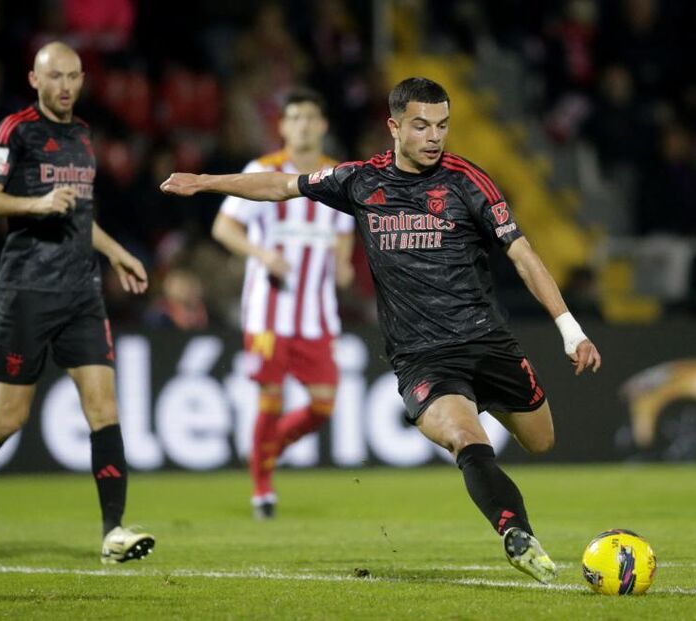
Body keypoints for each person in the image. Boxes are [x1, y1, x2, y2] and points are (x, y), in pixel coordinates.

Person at [162, 77, 601, 583]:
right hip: (422, 357)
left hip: (486, 341)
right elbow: (281, 185)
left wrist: (570, 329)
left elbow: (523, 255)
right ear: (394, 126)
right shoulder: (361, 181)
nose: (434, 137)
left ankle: (501, 470)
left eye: (442, 126)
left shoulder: (468, 181)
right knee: (465, 437)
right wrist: (205, 181)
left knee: (541, 442)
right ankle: (516, 533)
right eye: (421, 126)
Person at [0, 42, 155, 565]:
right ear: (35, 80)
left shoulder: (83, 135)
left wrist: (117, 253)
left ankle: (113, 532)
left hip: (81, 293)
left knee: (104, 408)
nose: (65, 86)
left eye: (73, 76)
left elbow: (80, 217)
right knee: (9, 417)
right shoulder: (16, 130)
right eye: (55, 76)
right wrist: (36, 203)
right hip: (28, 291)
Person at [213, 88, 354, 519]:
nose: (303, 125)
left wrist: (344, 265)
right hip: (268, 313)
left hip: (317, 315)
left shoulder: (339, 176)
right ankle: (262, 490)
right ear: (282, 126)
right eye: (294, 118)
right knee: (270, 399)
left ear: (322, 125)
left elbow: (343, 234)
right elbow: (224, 227)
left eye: (310, 117)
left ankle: (266, 450)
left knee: (323, 406)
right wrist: (262, 255)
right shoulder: (262, 170)